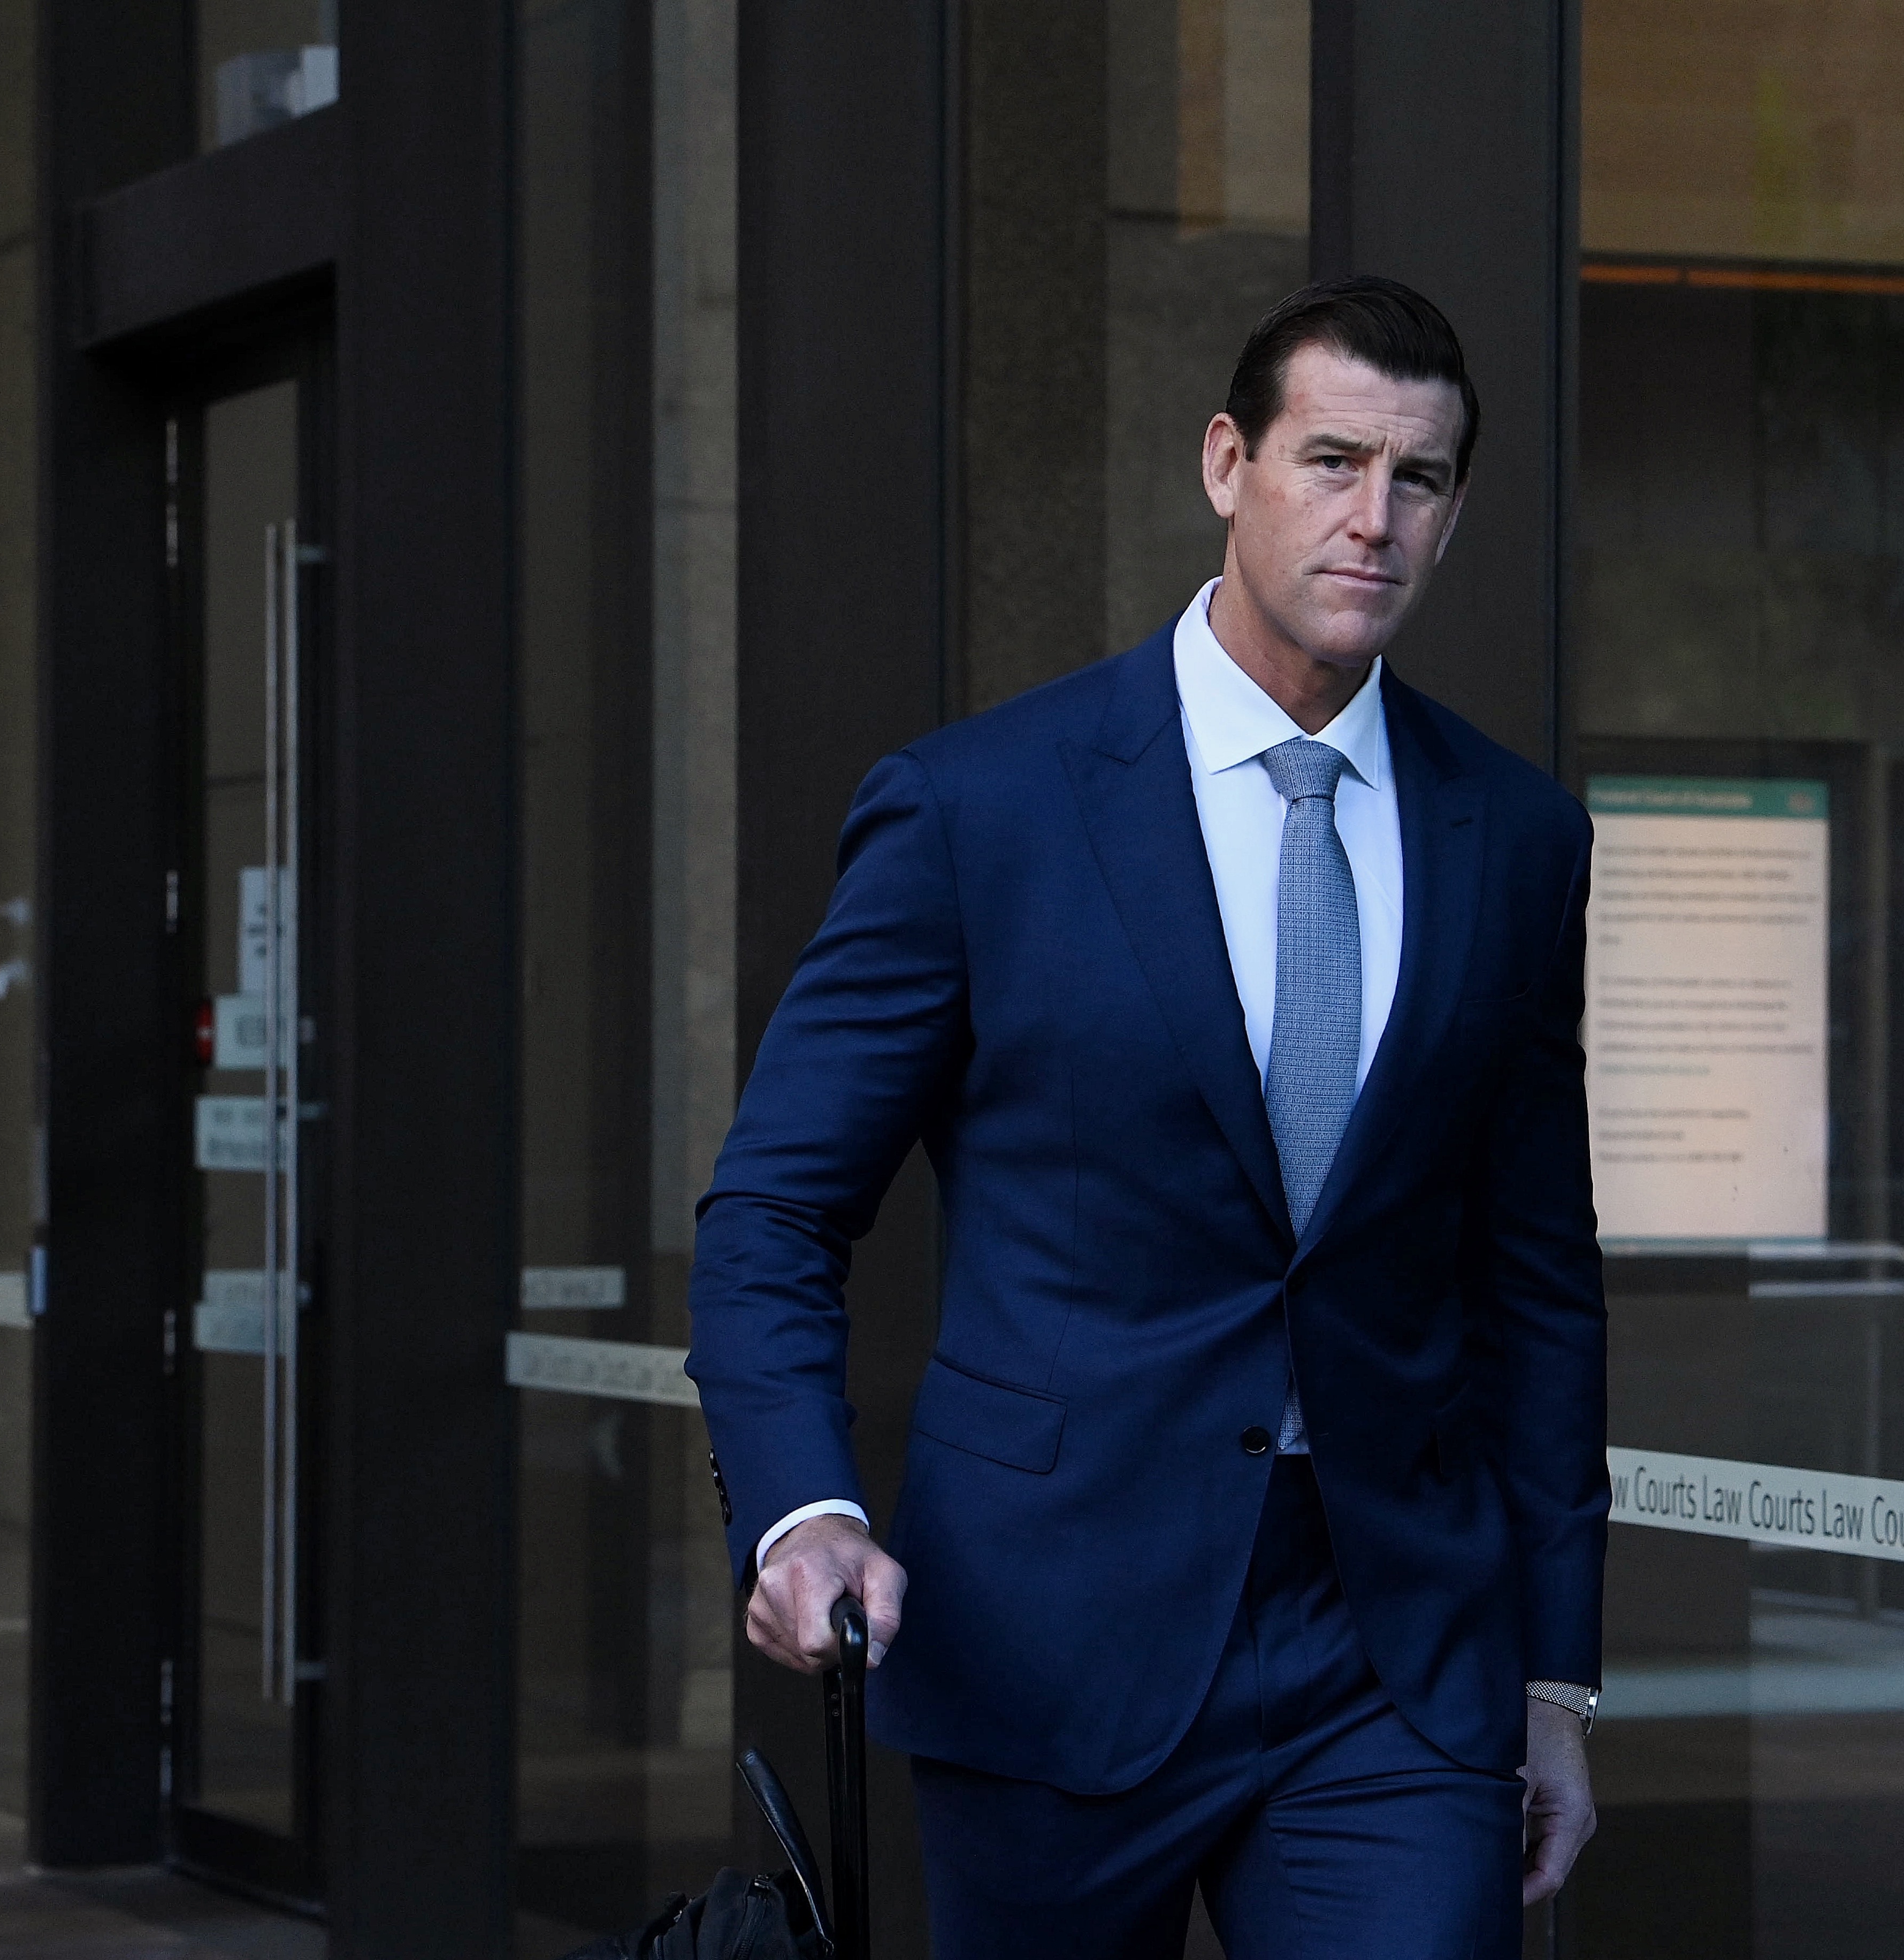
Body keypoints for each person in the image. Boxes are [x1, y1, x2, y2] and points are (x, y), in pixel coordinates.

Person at [688, 275, 1607, 1958]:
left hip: (1390, 1659)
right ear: (1223, 463)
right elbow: (774, 1211)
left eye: (1419, 480)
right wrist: (801, 1505)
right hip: (1051, 1640)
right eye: (1330, 461)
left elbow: (1540, 1277)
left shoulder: (1519, 837)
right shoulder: (983, 809)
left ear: (1457, 508)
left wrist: (1556, 1676)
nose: (1372, 518)